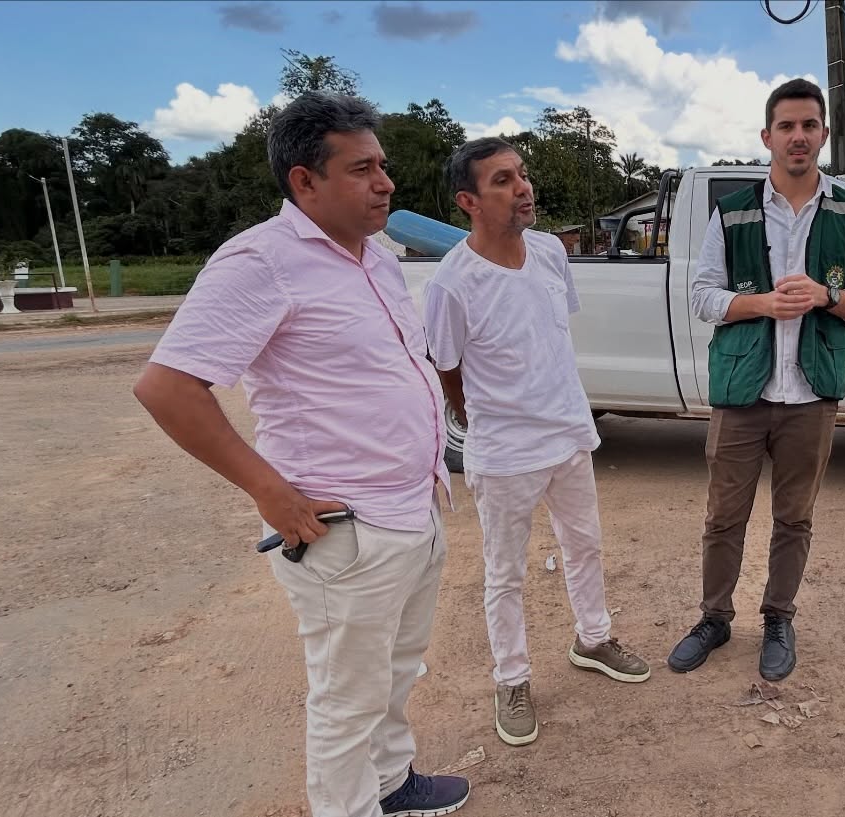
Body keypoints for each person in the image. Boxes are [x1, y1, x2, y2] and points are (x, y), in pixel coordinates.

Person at [132, 93, 468, 817]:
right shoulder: (261, 261)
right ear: (304, 181)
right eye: (362, 169)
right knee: (348, 698)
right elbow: (167, 387)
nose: (385, 183)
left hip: (413, 507)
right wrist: (269, 490)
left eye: (383, 166)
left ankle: (391, 782)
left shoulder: (376, 259)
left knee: (395, 669)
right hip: (345, 527)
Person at [423, 137, 650, 748]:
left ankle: (593, 639)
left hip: (569, 432)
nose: (522, 187)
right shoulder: (452, 283)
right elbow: (446, 366)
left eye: (521, 174)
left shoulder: (550, 251)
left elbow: (547, 338)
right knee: (505, 573)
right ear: (468, 201)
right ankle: (512, 679)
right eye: (502, 180)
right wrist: (479, 416)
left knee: (585, 546)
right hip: (505, 453)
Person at [668, 79, 845, 681]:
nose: (798, 136)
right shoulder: (733, 210)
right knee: (723, 516)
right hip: (742, 391)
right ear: (767, 136)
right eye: (787, 126)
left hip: (811, 393)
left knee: (795, 518)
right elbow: (703, 296)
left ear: (824, 134)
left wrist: (827, 295)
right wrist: (762, 304)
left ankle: (778, 618)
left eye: (809, 125)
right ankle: (714, 618)